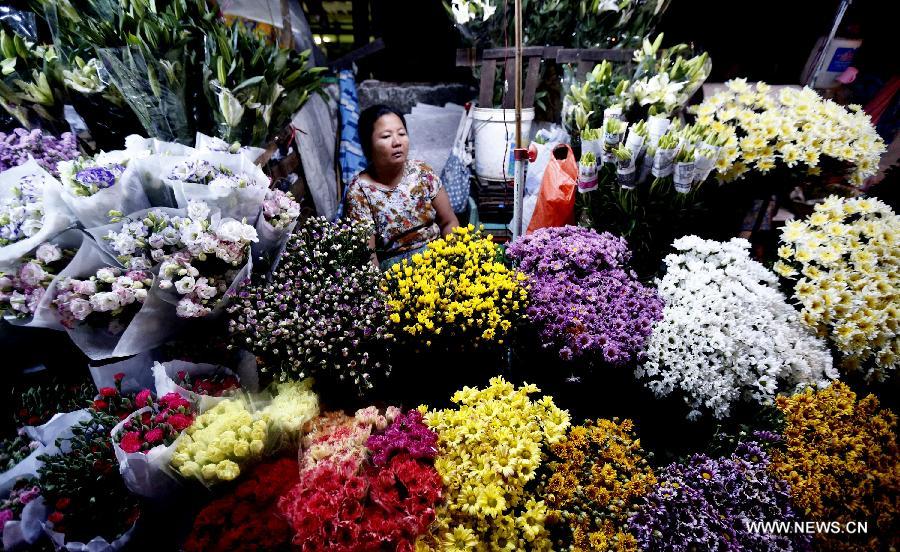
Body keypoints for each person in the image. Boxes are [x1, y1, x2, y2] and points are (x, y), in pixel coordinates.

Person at [343, 104, 459, 269]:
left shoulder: (422, 173)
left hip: (438, 260)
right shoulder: (359, 191)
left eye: (402, 133)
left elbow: (449, 221)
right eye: (386, 136)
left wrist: (454, 260)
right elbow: (368, 255)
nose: (397, 142)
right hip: (395, 272)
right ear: (368, 145)